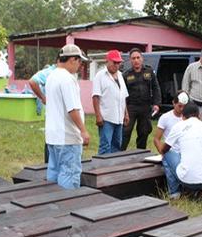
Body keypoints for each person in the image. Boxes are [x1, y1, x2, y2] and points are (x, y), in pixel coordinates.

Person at [45, 44, 90, 189]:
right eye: (79, 61)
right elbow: (72, 109)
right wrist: (83, 130)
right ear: (72, 59)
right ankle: (67, 201)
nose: (80, 65)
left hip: (52, 136)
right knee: (69, 173)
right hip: (67, 137)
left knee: (54, 171)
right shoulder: (67, 79)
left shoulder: (52, 76)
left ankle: (51, 201)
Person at [159, 102, 202, 199]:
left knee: (167, 155)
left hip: (188, 180)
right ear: (199, 116)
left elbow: (164, 149)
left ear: (182, 116)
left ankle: (175, 193)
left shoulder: (179, 126)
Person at [121, 48, 161, 150]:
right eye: (133, 58)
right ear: (130, 60)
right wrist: (124, 110)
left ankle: (141, 153)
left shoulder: (149, 71)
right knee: (126, 131)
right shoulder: (126, 75)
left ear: (142, 58)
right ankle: (120, 153)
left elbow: (156, 88)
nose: (136, 60)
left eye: (138, 57)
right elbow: (122, 94)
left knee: (144, 131)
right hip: (131, 107)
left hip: (145, 106)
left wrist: (156, 104)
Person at [92, 50, 129, 154]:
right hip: (106, 117)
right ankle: (102, 164)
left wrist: (126, 113)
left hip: (119, 117)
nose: (116, 65)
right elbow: (95, 96)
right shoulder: (100, 75)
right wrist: (98, 116)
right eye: (114, 62)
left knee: (117, 145)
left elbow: (123, 96)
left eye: (118, 63)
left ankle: (113, 164)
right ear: (107, 61)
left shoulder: (120, 75)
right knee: (105, 145)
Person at [153, 91, 188, 197]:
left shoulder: (188, 117)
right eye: (179, 106)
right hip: (171, 151)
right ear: (173, 103)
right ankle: (175, 192)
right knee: (169, 161)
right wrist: (162, 152)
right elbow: (156, 139)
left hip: (186, 150)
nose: (182, 109)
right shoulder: (165, 117)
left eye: (184, 107)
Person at [29, 54, 59, 162]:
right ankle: (48, 167)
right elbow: (33, 81)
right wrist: (42, 97)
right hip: (53, 115)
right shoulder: (50, 72)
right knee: (51, 142)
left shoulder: (68, 75)